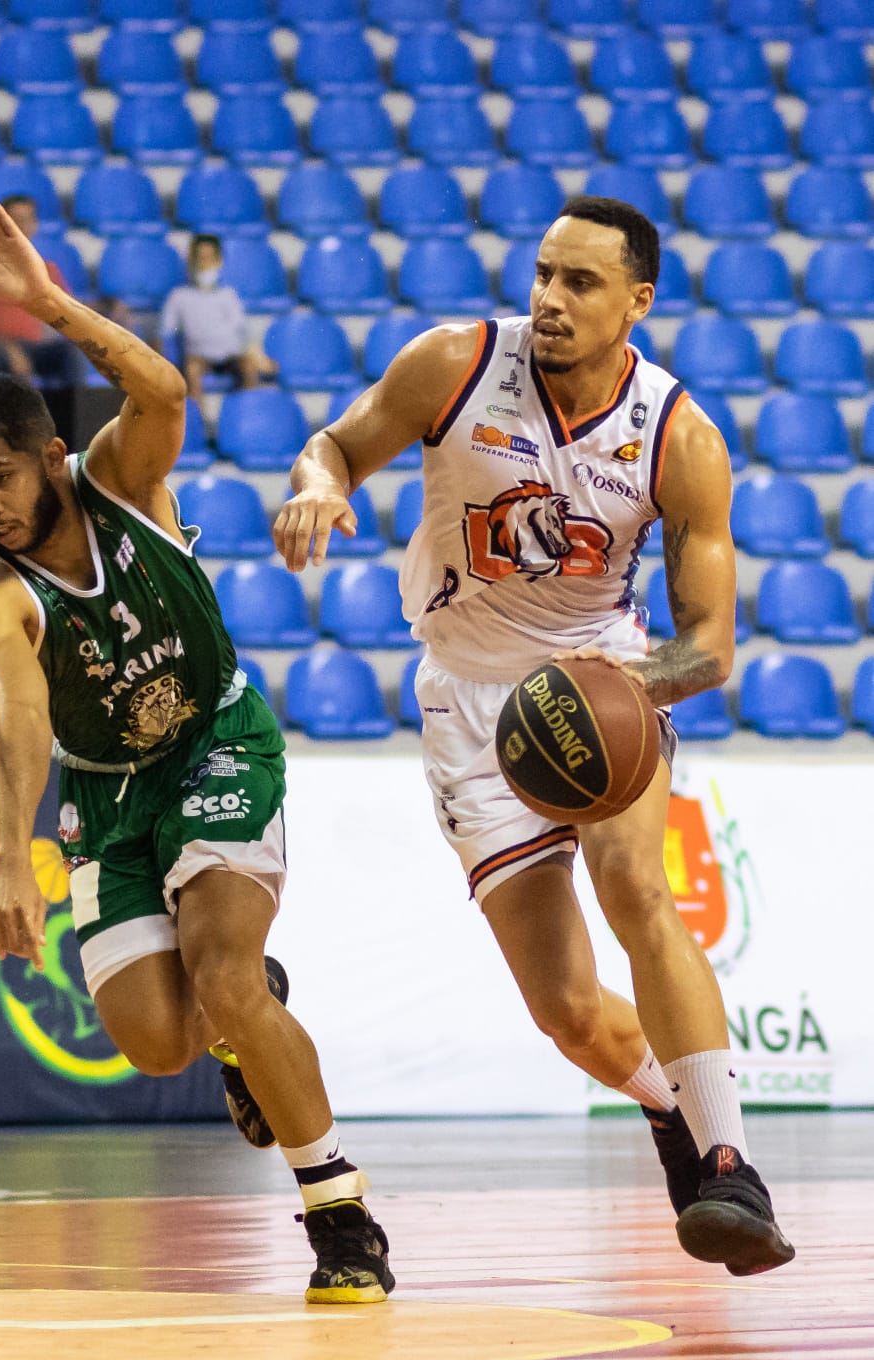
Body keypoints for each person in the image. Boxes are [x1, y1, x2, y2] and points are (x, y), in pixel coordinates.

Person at [274, 196, 794, 1279]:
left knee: (636, 889)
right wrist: (319, 488)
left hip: (598, 678)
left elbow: (708, 649)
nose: (551, 299)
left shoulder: (678, 437)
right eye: (544, 274)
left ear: (636, 301)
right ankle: (667, 1108)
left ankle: (730, 1164)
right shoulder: (454, 365)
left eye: (580, 282)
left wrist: (630, 684)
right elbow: (337, 445)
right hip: (466, 701)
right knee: (565, 1012)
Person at [0, 190, 394, 1305]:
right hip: (105, 794)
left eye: (0, 477)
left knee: (223, 974)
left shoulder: (120, 477)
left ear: (50, 456)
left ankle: (340, 1218)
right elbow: (21, 715)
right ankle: (244, 1025)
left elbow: (165, 389)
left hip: (213, 743)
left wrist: (49, 304)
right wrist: (9, 857)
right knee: (153, 1042)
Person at [0, 193, 85, 388]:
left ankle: (76, 407)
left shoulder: (47, 269)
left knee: (73, 350)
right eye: (15, 220)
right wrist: (12, 350)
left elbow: (70, 309)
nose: (22, 226)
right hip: (1, 347)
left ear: (35, 225)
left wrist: (108, 304)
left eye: (27, 220)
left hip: (38, 347)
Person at [159, 233, 272, 404]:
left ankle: (247, 412)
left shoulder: (228, 295)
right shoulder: (179, 296)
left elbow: (243, 331)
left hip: (230, 356)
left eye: (209, 258)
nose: (204, 264)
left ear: (219, 262)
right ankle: (199, 416)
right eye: (200, 258)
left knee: (249, 368)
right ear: (191, 261)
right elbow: (164, 333)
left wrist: (258, 357)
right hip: (199, 357)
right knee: (192, 369)